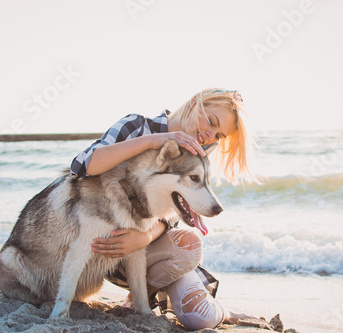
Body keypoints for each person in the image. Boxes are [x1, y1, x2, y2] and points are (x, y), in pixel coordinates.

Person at [70, 88, 258, 330]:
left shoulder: (197, 156)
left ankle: (219, 309)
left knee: (200, 318)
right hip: (105, 250)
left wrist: (144, 237)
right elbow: (81, 166)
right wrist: (154, 141)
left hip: (153, 256)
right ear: (195, 102)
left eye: (219, 135)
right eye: (211, 122)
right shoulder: (137, 127)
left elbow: (174, 218)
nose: (210, 135)